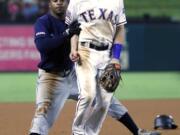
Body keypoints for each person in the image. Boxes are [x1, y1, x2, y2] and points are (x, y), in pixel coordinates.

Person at [29, 0, 160, 135]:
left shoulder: (77, 18)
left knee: (108, 101)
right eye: (55, 0)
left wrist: (112, 55)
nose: (59, 3)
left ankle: (137, 132)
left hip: (73, 73)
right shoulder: (43, 22)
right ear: (49, 3)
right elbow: (43, 46)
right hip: (51, 77)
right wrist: (66, 33)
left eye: (62, 0)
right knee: (42, 119)